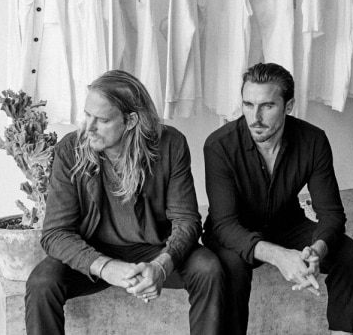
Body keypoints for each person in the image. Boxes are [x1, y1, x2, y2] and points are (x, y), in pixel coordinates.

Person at [26, 70, 224, 335]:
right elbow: (55, 233)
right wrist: (105, 267)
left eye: (103, 120)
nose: (88, 128)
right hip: (93, 249)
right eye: (87, 116)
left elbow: (186, 220)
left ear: (130, 121)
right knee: (42, 282)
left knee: (208, 268)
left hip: (154, 250)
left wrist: (161, 267)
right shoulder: (70, 150)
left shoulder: (170, 144)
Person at [203, 62, 353, 334]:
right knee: (231, 266)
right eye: (248, 104)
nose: (255, 117)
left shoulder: (313, 140)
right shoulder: (219, 145)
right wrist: (279, 257)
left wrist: (317, 251)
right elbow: (224, 224)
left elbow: (332, 214)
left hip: (286, 225)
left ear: (288, 106)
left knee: (348, 254)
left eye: (267, 106)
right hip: (234, 232)